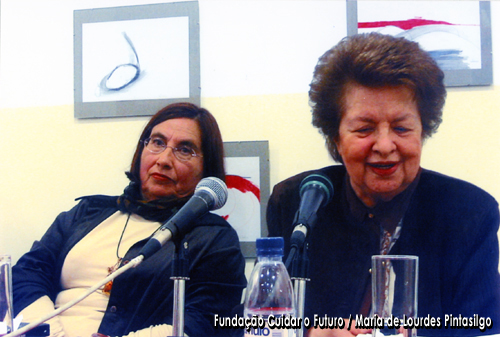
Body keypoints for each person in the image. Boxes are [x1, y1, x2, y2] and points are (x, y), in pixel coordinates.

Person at [266, 33, 500, 336]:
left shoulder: (469, 212)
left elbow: (484, 329)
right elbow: (260, 319)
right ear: (335, 137)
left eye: (402, 128)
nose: (385, 145)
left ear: (423, 131)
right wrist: (312, 333)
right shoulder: (299, 201)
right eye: (364, 129)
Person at [12, 102, 247, 337]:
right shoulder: (88, 211)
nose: (164, 159)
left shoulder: (214, 238)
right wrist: (49, 332)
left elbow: (207, 322)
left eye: (184, 150)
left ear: (206, 168)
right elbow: (27, 274)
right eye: (157, 142)